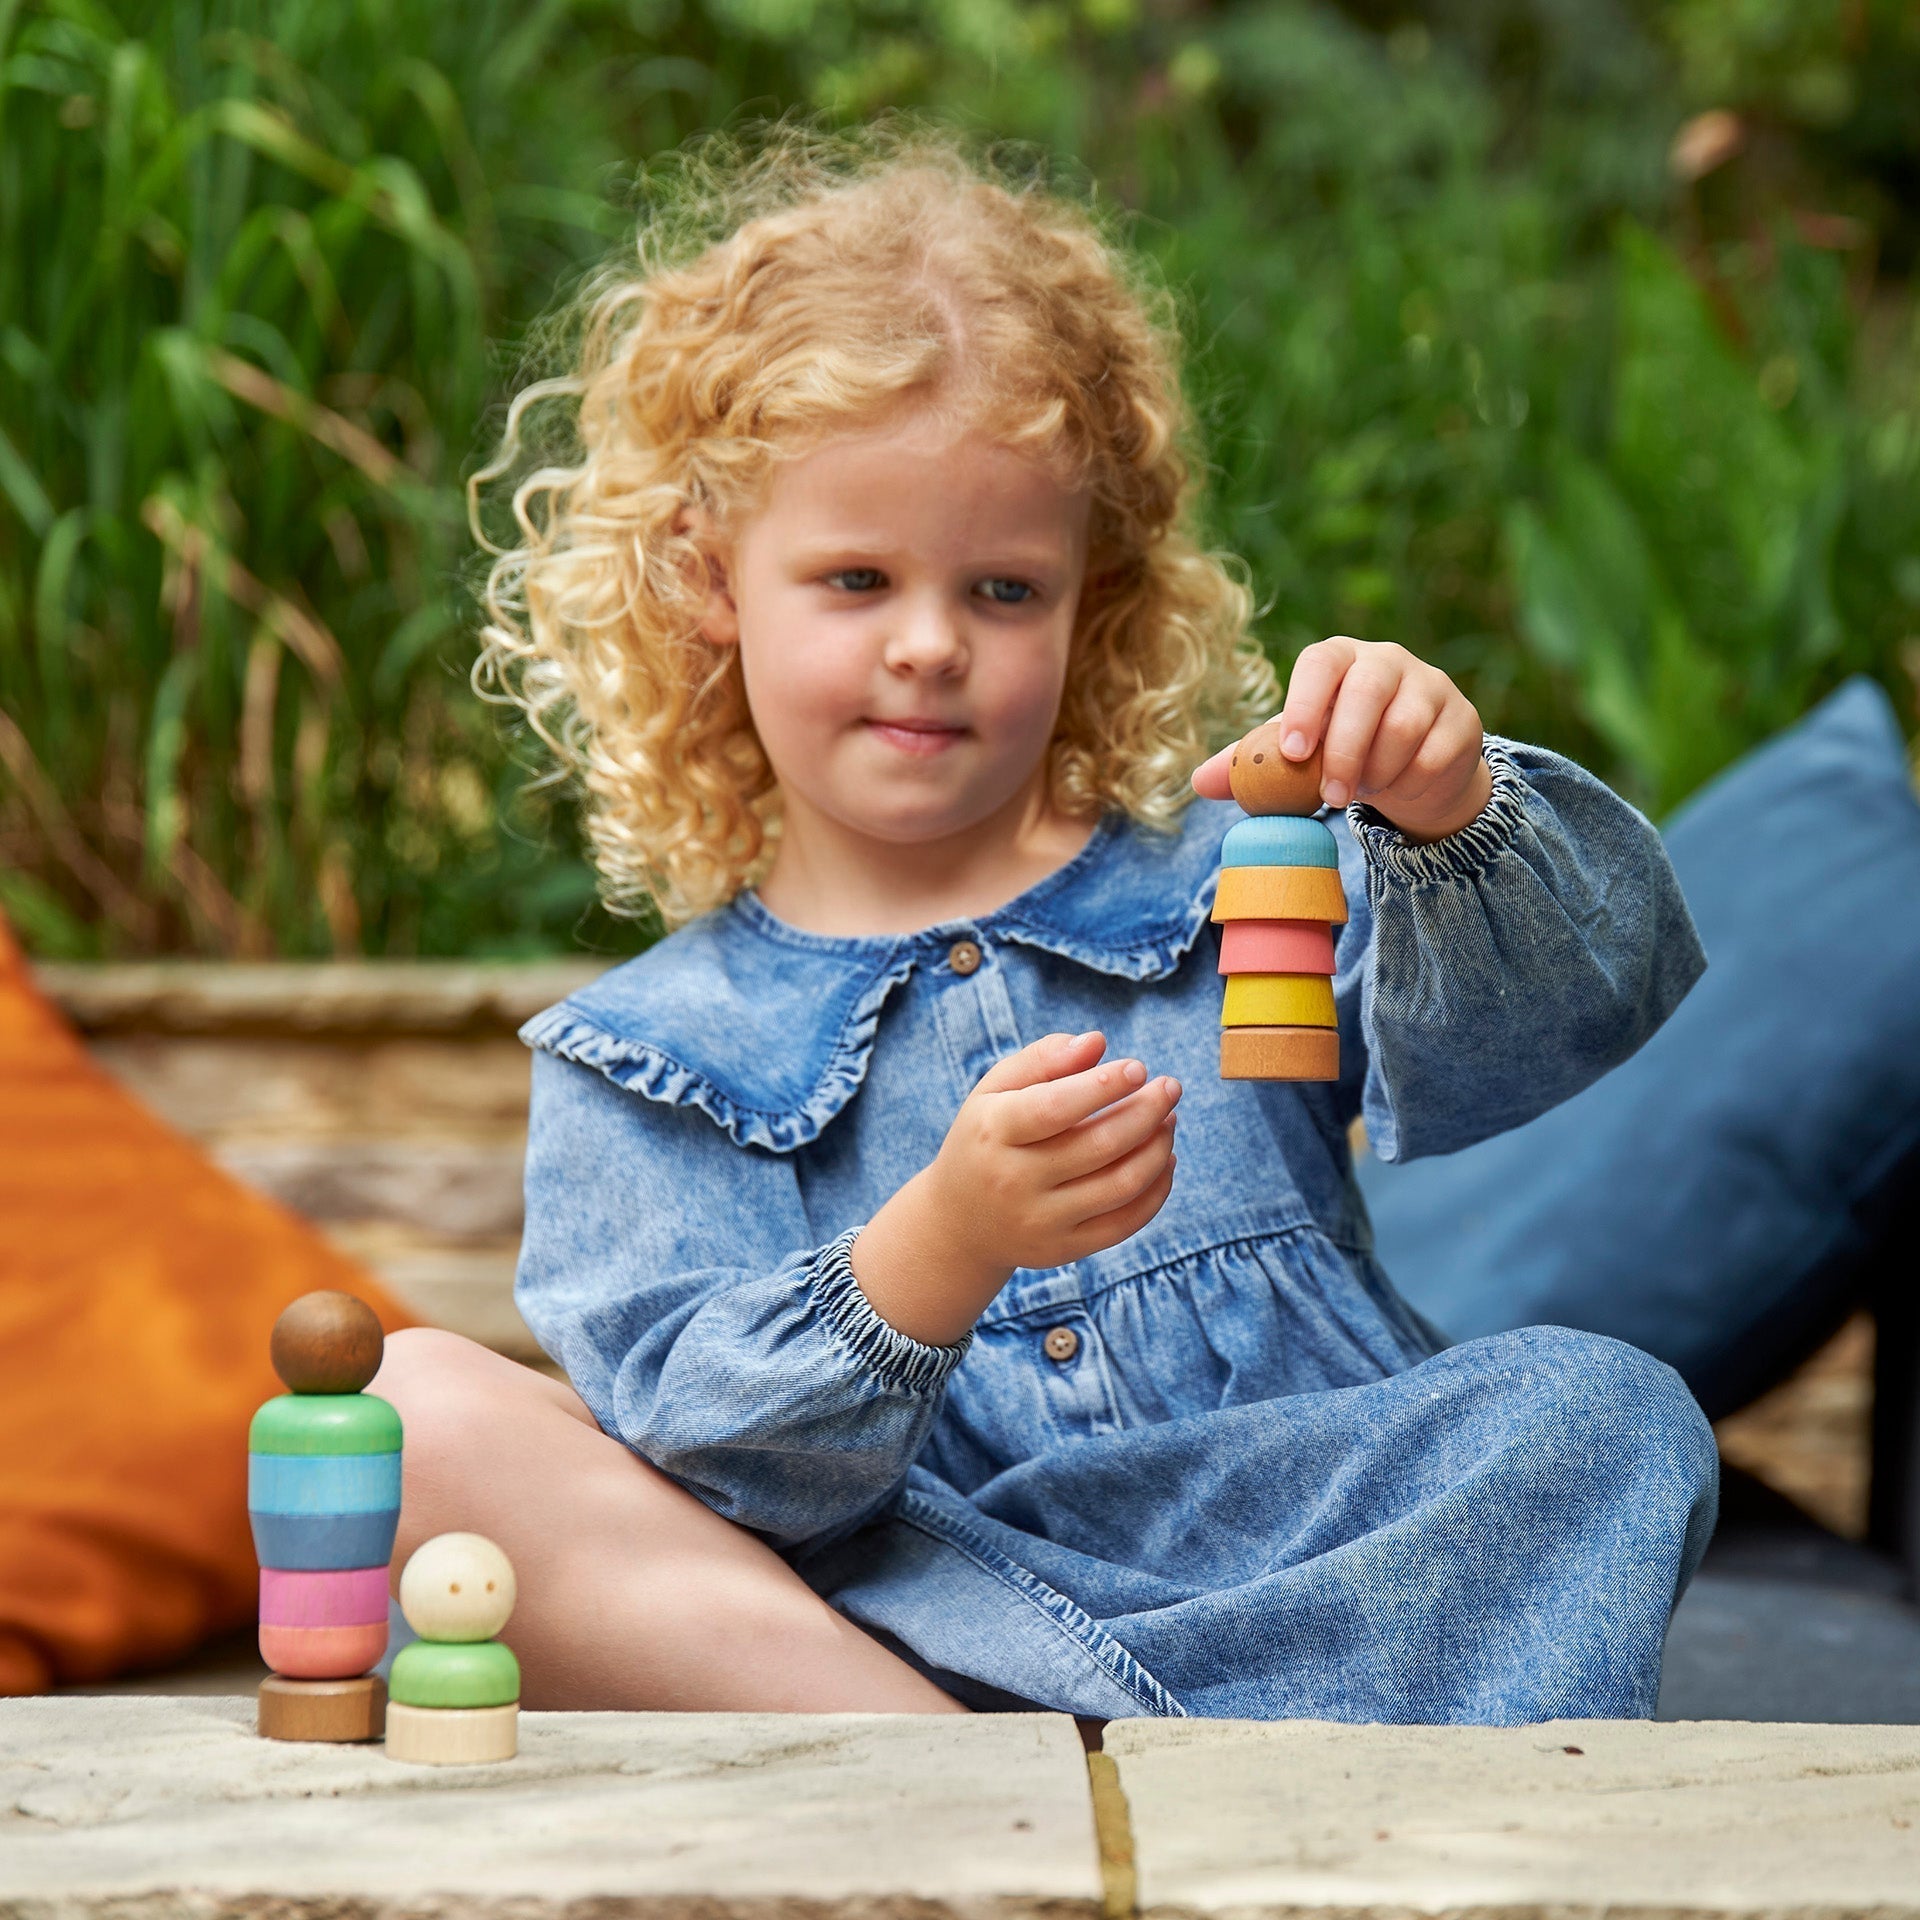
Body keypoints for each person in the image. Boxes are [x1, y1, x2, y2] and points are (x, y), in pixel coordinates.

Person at [373, 127, 1717, 1723]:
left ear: (1097, 597)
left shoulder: (1247, 881)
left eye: (1003, 589)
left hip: (1311, 1563)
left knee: (1606, 1409)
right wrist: (930, 1255)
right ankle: (986, 1786)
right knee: (406, 1411)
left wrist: (1450, 806)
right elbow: (712, 1470)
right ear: (707, 579)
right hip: (924, 1625)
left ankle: (1124, 1785)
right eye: (859, 578)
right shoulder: (648, 1059)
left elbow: (1568, 1010)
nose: (932, 645)